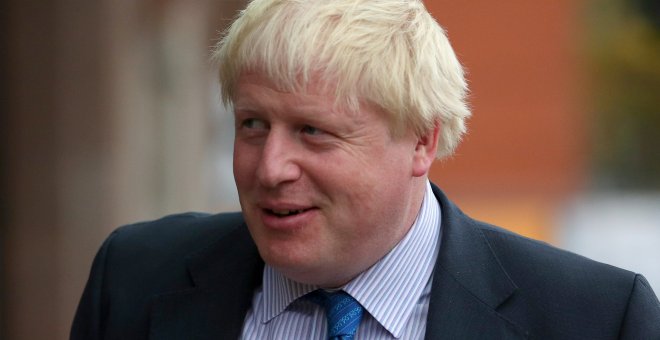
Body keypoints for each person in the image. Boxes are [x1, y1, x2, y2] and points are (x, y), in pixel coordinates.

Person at [71, 0, 660, 339]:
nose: (270, 168)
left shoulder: (599, 320)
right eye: (252, 125)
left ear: (422, 142)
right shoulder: (135, 280)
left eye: (313, 131)